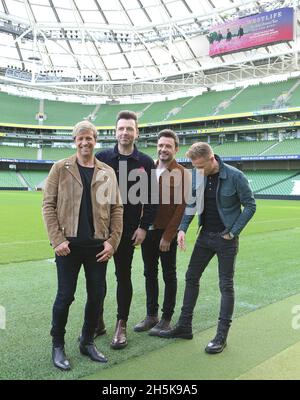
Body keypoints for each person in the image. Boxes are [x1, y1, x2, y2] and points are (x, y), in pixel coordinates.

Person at [160, 142, 256, 354]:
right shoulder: (197, 174)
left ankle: (221, 336)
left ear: (212, 159)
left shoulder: (235, 176)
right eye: (195, 167)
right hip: (204, 237)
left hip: (226, 239)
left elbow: (251, 205)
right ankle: (184, 327)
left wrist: (233, 232)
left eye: (201, 166)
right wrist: (183, 229)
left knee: (226, 285)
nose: (198, 170)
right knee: (191, 277)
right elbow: (191, 203)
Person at [42, 120, 123, 371]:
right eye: (81, 138)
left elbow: (116, 208)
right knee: (65, 296)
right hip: (68, 246)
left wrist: (112, 241)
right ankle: (58, 345)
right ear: (74, 141)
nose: (85, 142)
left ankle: (87, 342)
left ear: (95, 140)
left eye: (89, 138)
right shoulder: (60, 168)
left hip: (98, 247)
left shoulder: (107, 171)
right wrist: (57, 240)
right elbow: (48, 205)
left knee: (97, 295)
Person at [96, 110, 157, 350]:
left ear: (137, 133)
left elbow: (151, 198)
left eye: (129, 129)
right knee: (96, 278)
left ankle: (121, 324)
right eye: (121, 128)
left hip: (128, 230)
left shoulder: (144, 162)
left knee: (123, 276)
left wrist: (144, 227)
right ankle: (97, 320)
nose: (125, 133)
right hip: (99, 231)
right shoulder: (101, 158)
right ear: (115, 131)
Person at [134, 129, 190, 336]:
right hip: (147, 231)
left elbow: (181, 208)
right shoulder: (148, 169)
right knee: (149, 273)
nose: (163, 149)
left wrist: (168, 236)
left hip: (166, 233)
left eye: (168, 146)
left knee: (169, 275)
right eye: (160, 145)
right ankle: (151, 315)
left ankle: (166, 318)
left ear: (176, 149)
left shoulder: (183, 173)